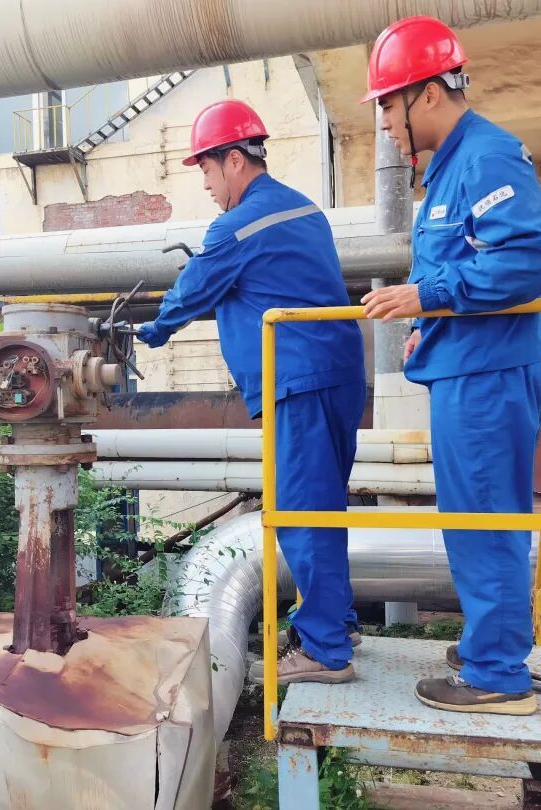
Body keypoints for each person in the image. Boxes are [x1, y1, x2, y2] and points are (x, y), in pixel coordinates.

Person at [359, 16, 541, 714]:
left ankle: (497, 674)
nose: (385, 122)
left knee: (485, 520)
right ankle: (489, 643)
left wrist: (429, 295)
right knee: (472, 518)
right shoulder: (449, 167)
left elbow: (529, 260)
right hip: (468, 368)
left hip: (489, 376)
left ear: (427, 93)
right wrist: (427, 326)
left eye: (388, 104)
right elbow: (468, 268)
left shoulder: (486, 156)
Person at [135, 100, 367, 684]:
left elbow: (193, 290)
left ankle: (325, 651)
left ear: (234, 160)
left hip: (298, 380)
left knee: (302, 512)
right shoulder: (304, 209)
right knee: (323, 507)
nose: (207, 185)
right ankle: (335, 624)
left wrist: (152, 328)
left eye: (206, 169)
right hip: (336, 374)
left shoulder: (237, 225)